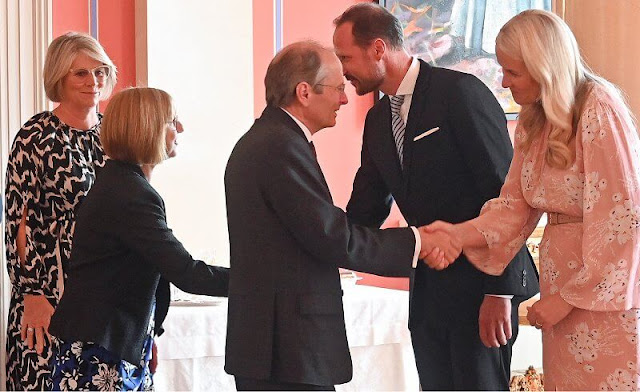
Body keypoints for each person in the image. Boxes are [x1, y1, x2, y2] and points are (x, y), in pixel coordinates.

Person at [224, 40, 458, 391]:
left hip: (276, 345)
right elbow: (330, 234)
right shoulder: (279, 146)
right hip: (286, 348)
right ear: (304, 92)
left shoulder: (271, 139)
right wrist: (419, 242)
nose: (345, 99)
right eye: (337, 88)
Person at [426, 9, 640, 390]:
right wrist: (457, 235)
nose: (504, 82)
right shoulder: (533, 119)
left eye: (513, 72)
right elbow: (513, 207)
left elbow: (623, 219)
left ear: (544, 67)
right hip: (561, 285)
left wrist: (567, 299)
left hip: (603, 298)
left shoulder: (599, 108)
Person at [332, 3, 539, 390]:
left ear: (378, 49)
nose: (342, 70)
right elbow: (365, 208)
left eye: (346, 57)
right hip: (427, 297)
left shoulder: (460, 92)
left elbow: (506, 195)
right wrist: (322, 240)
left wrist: (500, 292)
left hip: (482, 292)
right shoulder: (378, 121)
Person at [47, 87, 230, 390]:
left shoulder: (122, 183)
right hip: (101, 349)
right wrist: (258, 283)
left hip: (106, 341)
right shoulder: (131, 194)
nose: (180, 128)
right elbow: (187, 274)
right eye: (172, 120)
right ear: (148, 128)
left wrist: (147, 334)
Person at [4, 31, 116, 390]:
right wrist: (31, 292)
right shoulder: (35, 136)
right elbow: (17, 223)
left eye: (99, 70)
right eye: (80, 73)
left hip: (105, 289)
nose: (93, 80)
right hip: (49, 289)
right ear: (58, 77)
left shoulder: (114, 135)